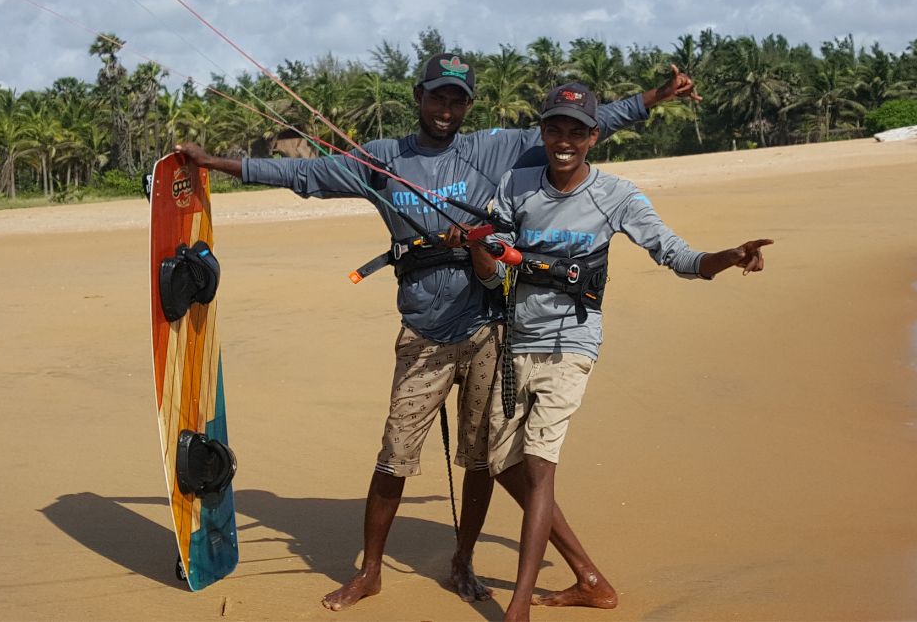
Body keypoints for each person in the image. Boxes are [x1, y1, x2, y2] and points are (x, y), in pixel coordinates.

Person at [175, 53, 700, 612]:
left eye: (457, 100)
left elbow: (575, 126)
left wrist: (650, 99)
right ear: (418, 97)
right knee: (393, 457)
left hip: (487, 330)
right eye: (437, 97)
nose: (446, 109)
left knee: (482, 460)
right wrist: (217, 164)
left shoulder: (493, 149)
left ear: (467, 106)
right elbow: (305, 174)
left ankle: (463, 562)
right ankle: (370, 572)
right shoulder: (381, 159)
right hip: (422, 335)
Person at [468, 82, 772, 621]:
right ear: (543, 133)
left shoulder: (618, 197)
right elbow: (492, 274)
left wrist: (728, 256)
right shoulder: (515, 184)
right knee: (502, 463)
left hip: (572, 344)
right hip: (516, 339)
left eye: (577, 131)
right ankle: (590, 579)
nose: (565, 141)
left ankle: (517, 609)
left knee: (539, 466)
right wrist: (480, 249)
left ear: (594, 136)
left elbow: (677, 256)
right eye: (555, 129)